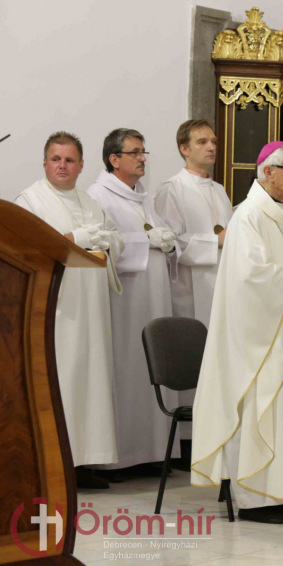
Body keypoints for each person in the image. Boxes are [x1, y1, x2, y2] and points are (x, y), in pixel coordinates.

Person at [191, 141, 283, 523]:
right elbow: (249, 280)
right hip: (262, 339)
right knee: (267, 410)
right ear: (269, 172)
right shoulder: (248, 216)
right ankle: (259, 499)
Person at [14, 132, 124, 489]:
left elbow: (114, 237)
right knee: (61, 382)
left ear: (81, 165)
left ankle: (83, 462)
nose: (62, 166)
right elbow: (26, 249)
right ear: (45, 163)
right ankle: (55, 465)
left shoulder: (90, 202)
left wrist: (109, 241)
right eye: (56, 159)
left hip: (92, 308)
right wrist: (75, 239)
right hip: (57, 310)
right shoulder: (30, 200)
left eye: (70, 160)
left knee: (91, 383)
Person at [88, 128, 179, 473]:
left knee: (151, 366)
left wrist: (169, 243)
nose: (143, 159)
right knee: (128, 368)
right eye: (135, 152)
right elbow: (102, 244)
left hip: (153, 298)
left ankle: (152, 453)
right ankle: (123, 457)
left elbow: (154, 234)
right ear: (114, 159)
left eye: (144, 152)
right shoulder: (98, 196)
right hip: (126, 301)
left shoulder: (142, 196)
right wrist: (146, 242)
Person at [154, 119, 232, 328]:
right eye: (202, 142)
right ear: (184, 149)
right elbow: (170, 243)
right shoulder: (171, 188)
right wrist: (215, 241)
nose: (211, 147)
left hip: (222, 283)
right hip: (190, 291)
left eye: (213, 142)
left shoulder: (219, 190)